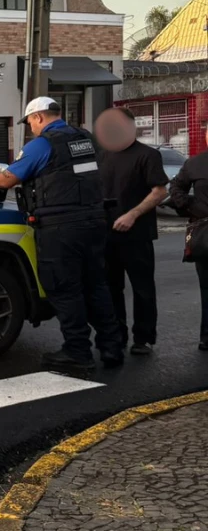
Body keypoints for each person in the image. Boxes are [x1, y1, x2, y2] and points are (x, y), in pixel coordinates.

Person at [0, 97, 125, 374]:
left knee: (65, 288)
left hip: (60, 226)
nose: (31, 129)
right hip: (94, 221)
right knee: (96, 286)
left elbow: (6, 180)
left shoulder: (42, 144)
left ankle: (77, 353)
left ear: (38, 117)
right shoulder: (85, 139)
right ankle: (112, 347)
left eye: (30, 124)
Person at [95, 107, 168, 355]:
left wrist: (133, 214)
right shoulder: (102, 156)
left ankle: (143, 338)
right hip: (107, 234)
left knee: (142, 288)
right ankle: (117, 336)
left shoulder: (147, 155)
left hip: (137, 234)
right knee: (111, 289)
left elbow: (160, 192)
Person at [168, 126, 208, 352]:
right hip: (204, 231)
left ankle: (207, 337)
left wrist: (188, 206)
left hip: (204, 231)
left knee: (207, 288)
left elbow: (176, 188)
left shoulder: (195, 164)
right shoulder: (195, 163)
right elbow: (176, 189)